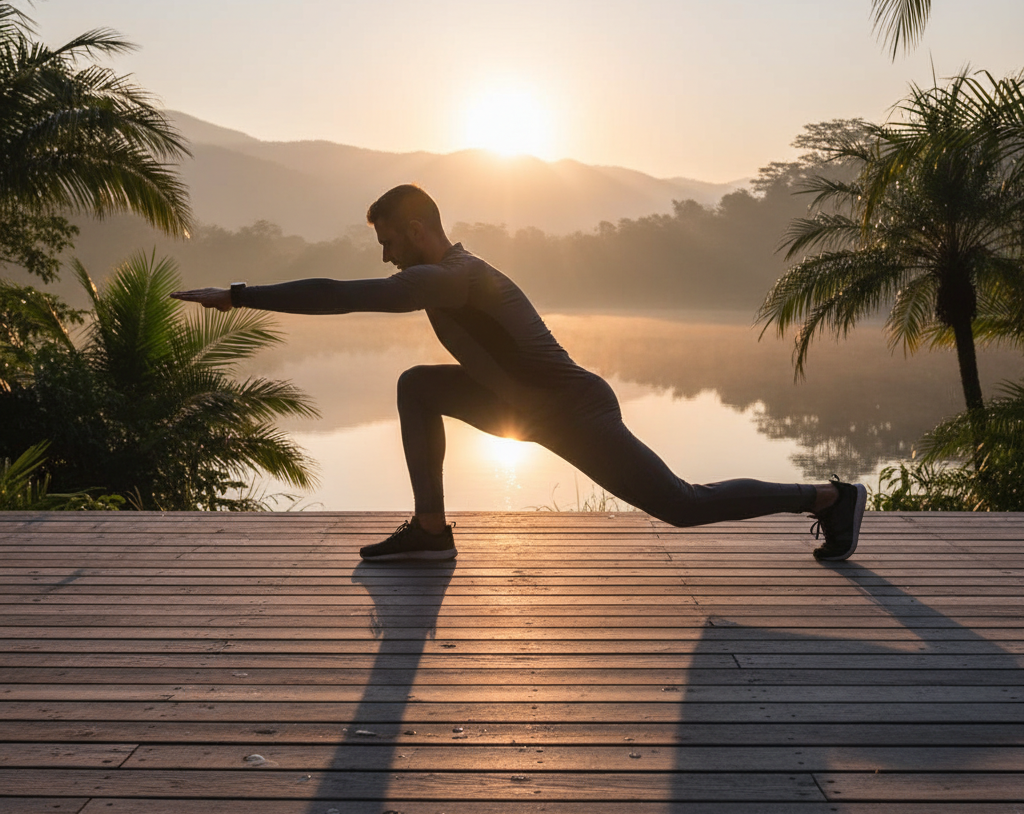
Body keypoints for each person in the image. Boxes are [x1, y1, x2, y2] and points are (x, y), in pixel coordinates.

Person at [171, 184, 867, 563]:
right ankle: (432, 529)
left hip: (573, 410)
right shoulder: (449, 275)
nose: (384, 255)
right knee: (418, 386)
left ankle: (828, 499)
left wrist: (239, 295)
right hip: (524, 407)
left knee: (681, 504)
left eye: (387, 240)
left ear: (415, 230)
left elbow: (346, 293)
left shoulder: (454, 278)